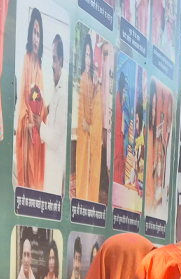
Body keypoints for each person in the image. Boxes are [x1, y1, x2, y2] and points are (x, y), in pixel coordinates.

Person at [16, 8, 47, 190]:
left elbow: (41, 103)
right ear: (30, 35)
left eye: (39, 34)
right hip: (27, 129)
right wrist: (27, 121)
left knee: (36, 180)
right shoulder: (27, 59)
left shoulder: (41, 68)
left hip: (36, 129)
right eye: (34, 33)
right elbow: (23, 97)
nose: (36, 38)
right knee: (26, 178)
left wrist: (38, 118)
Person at [75, 36, 103, 202]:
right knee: (82, 175)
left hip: (93, 141)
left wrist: (89, 128)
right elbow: (82, 114)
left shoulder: (96, 86)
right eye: (85, 55)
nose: (87, 59)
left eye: (89, 56)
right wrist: (85, 127)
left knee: (92, 180)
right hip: (84, 140)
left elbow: (96, 123)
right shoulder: (84, 78)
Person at [42, 34, 66, 193]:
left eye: (54, 59)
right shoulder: (57, 89)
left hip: (55, 169)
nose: (52, 64)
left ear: (61, 61)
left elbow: (55, 140)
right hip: (50, 165)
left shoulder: (63, 94)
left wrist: (40, 125)